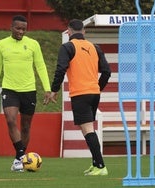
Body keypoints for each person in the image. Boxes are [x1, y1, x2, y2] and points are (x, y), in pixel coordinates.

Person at [45, 19, 111, 175]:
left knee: (88, 129)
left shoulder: (67, 47)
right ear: (84, 32)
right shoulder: (95, 47)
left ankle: (101, 167)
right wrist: (97, 88)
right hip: (94, 94)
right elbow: (107, 72)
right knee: (87, 129)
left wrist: (54, 90)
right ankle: (95, 164)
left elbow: (60, 69)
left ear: (68, 31)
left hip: (80, 94)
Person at [0, 15, 51, 172]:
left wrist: (47, 89)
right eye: (18, 28)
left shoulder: (33, 44)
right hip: (10, 89)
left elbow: (41, 66)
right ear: (11, 27)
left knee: (26, 126)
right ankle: (22, 155)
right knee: (10, 120)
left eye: (24, 29)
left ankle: (18, 160)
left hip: (29, 90)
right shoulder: (1, 44)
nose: (21, 31)